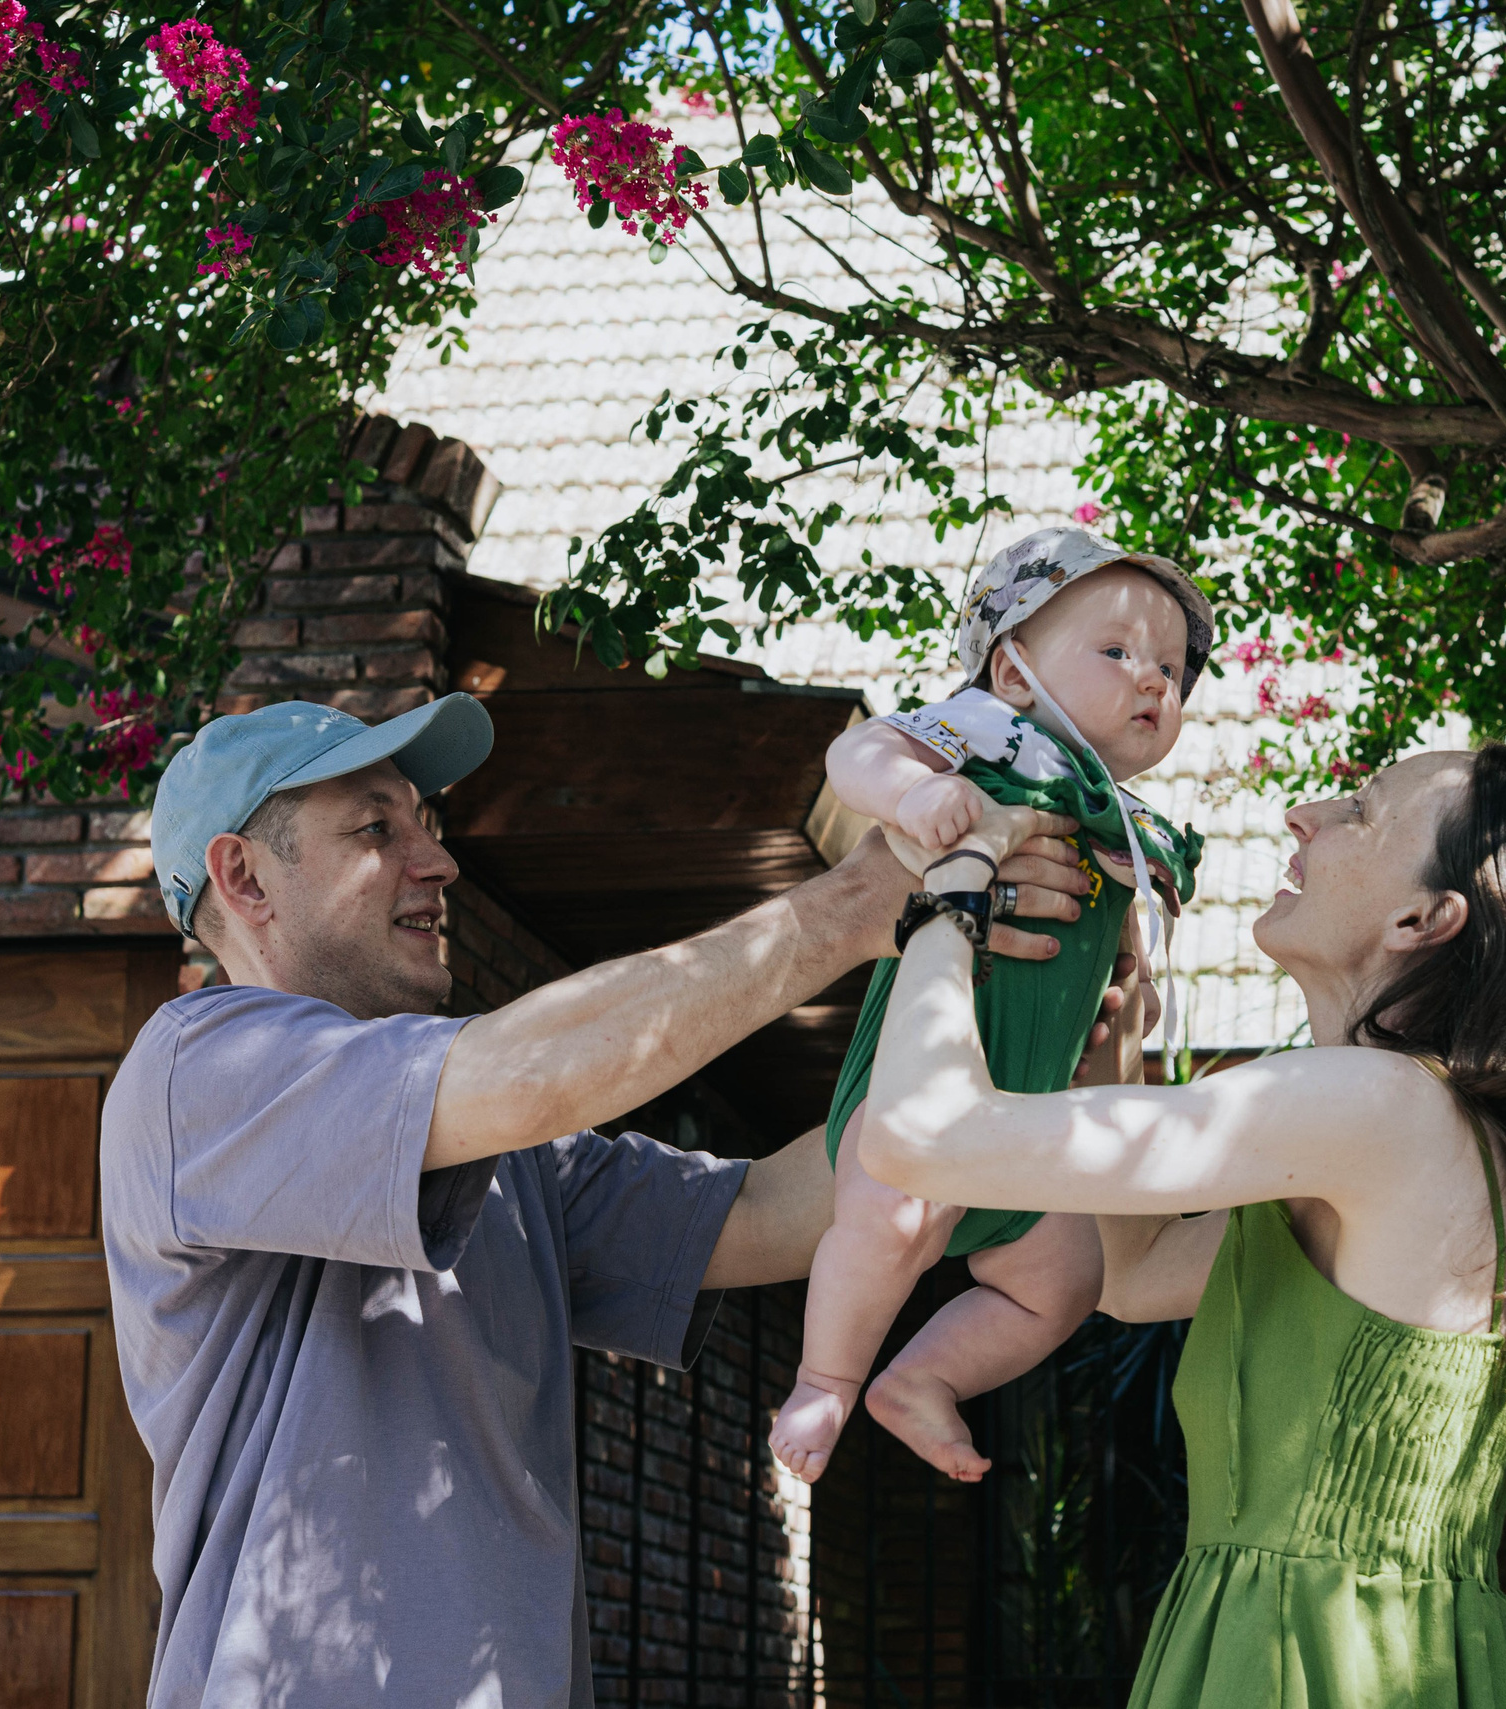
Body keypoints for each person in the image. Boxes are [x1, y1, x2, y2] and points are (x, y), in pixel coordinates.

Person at [98, 691, 1127, 1709]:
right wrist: (861, 903)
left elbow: (782, 1210)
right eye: (377, 827)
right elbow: (535, 1067)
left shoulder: (512, 1156)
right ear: (243, 876)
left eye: (428, 823)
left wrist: (1008, 1058)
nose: (438, 860)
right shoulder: (199, 1070)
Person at [860, 744, 1506, 1706]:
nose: (1307, 811)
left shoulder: (1380, 1106)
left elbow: (916, 1134)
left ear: (1424, 920)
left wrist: (951, 888)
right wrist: (1116, 1059)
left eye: (1362, 810)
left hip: (1305, 1661)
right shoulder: (1415, 1128)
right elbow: (1137, 1278)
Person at [769, 526, 1214, 1486]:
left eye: (1173, 671)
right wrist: (909, 798)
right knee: (888, 1222)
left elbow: (1116, 927)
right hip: (915, 1107)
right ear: (1012, 671)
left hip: (1021, 1137)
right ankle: (827, 1376)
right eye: (1120, 652)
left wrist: (1128, 956)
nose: (1153, 682)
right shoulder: (989, 739)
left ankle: (921, 1378)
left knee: (1065, 1279)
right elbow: (863, 749)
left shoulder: (1121, 822)